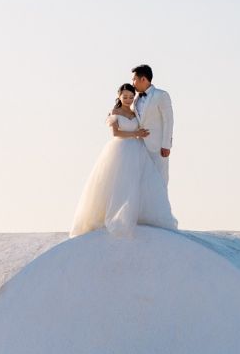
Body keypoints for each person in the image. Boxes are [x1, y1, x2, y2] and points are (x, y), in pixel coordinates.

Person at [70, 83, 178, 238]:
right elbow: (115, 133)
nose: (128, 99)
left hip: (138, 149)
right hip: (120, 149)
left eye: (130, 97)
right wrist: (136, 134)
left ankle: (141, 216)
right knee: (119, 182)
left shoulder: (135, 112)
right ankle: (118, 217)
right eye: (125, 97)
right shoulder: (115, 112)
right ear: (119, 97)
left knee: (140, 181)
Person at [130, 64, 174, 185]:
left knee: (160, 180)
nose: (132, 83)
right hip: (138, 147)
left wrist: (166, 145)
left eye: (134, 79)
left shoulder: (161, 95)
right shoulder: (134, 99)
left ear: (143, 79)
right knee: (141, 182)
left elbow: (168, 120)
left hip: (158, 147)